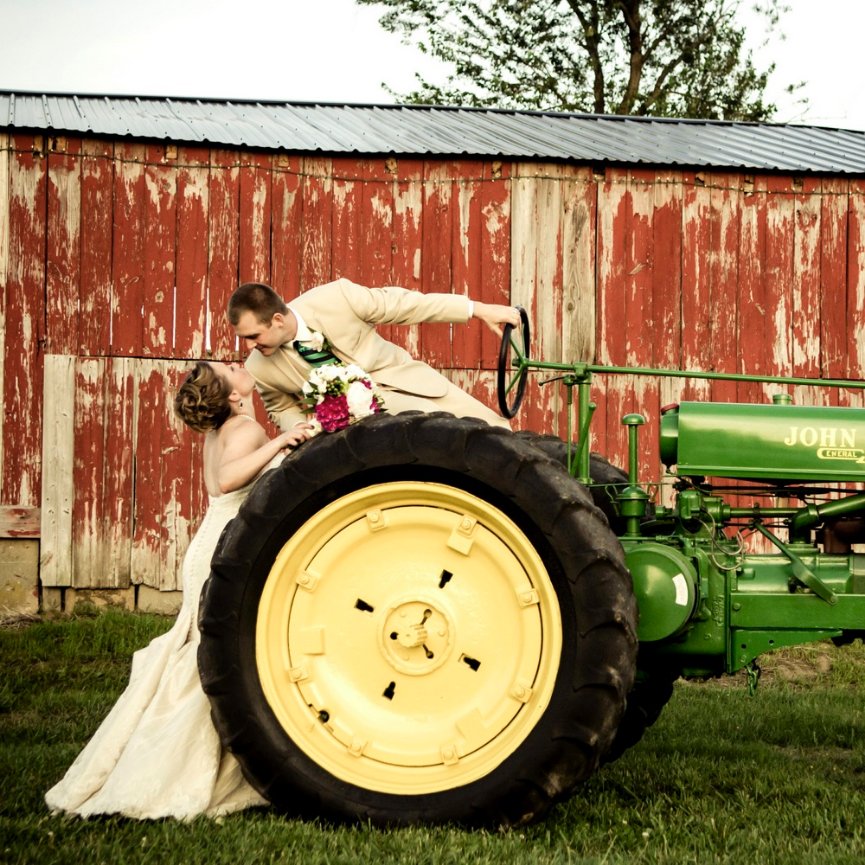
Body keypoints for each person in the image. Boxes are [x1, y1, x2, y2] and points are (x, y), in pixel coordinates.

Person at [45, 361, 309, 820]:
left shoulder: (225, 430)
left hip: (211, 542)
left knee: (204, 650)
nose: (237, 363)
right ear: (232, 396)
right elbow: (228, 481)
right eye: (230, 368)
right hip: (225, 547)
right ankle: (172, 770)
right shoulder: (245, 428)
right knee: (210, 658)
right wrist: (282, 442)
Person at [226, 278, 520, 432]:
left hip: (410, 386)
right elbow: (279, 409)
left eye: (254, 336)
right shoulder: (259, 368)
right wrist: (302, 427)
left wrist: (478, 309)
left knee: (495, 432)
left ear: (278, 320)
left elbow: (406, 306)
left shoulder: (337, 298)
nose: (249, 347)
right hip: (359, 435)